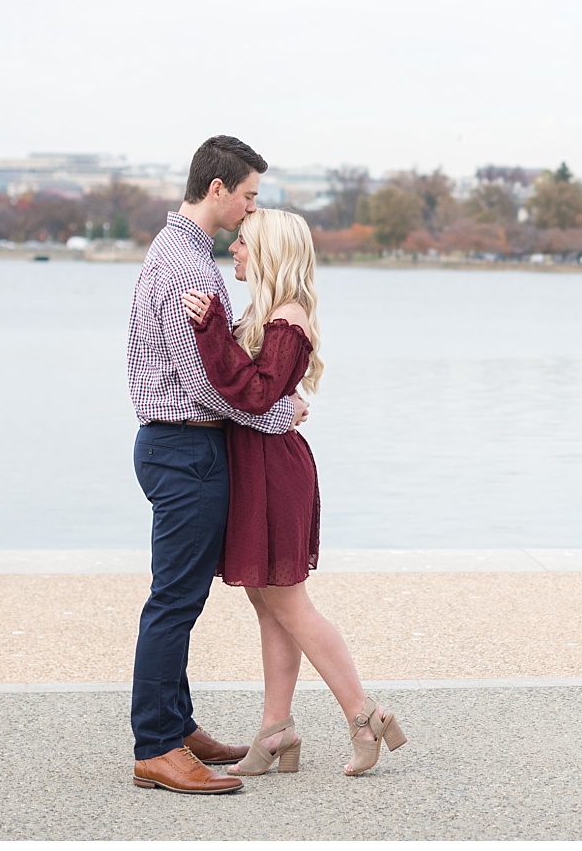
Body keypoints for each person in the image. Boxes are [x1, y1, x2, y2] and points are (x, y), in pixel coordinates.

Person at [182, 208, 408, 777]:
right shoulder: (266, 314)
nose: (233, 248)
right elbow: (261, 395)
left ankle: (365, 715)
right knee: (267, 602)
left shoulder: (287, 318)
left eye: (244, 242)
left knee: (288, 602)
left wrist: (209, 329)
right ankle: (275, 729)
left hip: (274, 472)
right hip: (255, 464)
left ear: (271, 251)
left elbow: (254, 394)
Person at [126, 135, 308, 795]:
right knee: (173, 601)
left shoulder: (182, 254)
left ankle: (176, 724)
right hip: (182, 445)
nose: (250, 210)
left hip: (184, 446)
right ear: (218, 187)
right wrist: (274, 415)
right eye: (249, 195)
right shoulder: (183, 266)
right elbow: (202, 383)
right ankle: (156, 744)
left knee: (182, 596)